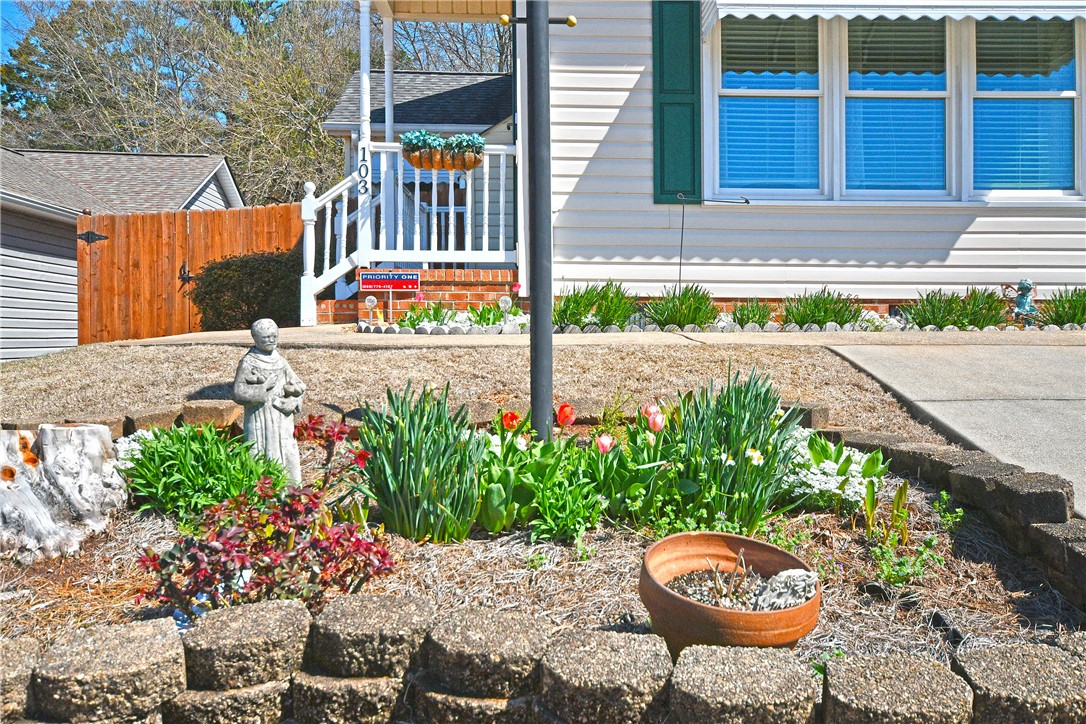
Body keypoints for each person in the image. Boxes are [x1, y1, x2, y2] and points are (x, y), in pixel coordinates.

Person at [232, 319, 305, 482]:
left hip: (282, 419)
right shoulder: (248, 362)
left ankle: (291, 494)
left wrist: (295, 401)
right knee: (260, 453)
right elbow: (238, 393)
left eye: (274, 336)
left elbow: (299, 386)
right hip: (260, 419)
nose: (271, 340)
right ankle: (262, 495)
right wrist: (263, 387)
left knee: (287, 452)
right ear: (255, 338)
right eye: (266, 337)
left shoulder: (280, 361)